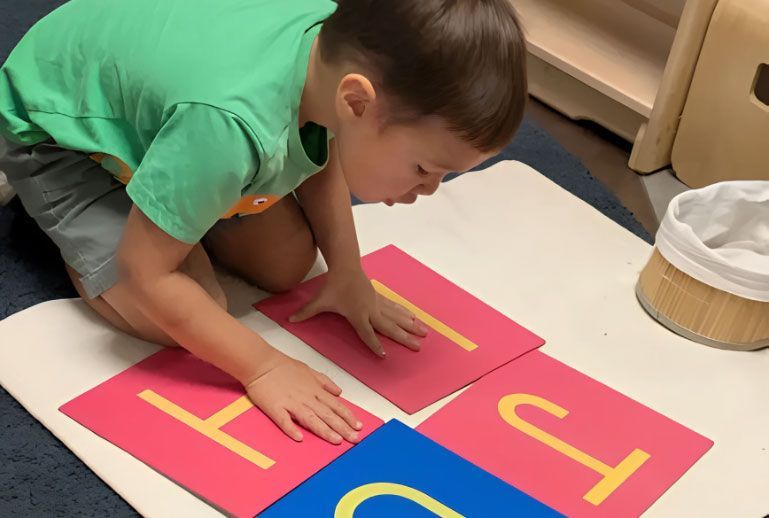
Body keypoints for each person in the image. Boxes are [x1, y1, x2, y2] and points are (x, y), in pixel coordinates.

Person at [0, 0, 527, 444]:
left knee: (288, 264)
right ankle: (63, 215)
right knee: (187, 311)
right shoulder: (228, 125)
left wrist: (348, 272)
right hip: (54, 133)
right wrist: (263, 366)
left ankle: (179, 188)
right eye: (424, 169)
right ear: (356, 101)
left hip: (181, 108)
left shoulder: (336, 56)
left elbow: (321, 148)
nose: (429, 190)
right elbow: (146, 272)